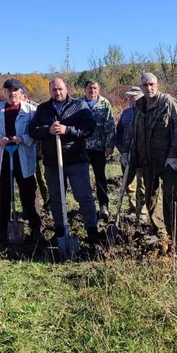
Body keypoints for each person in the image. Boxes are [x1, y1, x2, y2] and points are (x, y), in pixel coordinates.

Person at [29, 78, 101, 244]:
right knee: (56, 198)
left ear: (66, 89)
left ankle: (92, 230)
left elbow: (89, 127)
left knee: (83, 195)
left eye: (60, 89)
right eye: (54, 90)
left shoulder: (79, 106)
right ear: (50, 91)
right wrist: (48, 130)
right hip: (52, 163)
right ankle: (60, 230)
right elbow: (32, 130)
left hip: (76, 160)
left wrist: (67, 130)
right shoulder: (42, 109)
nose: (58, 92)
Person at [123, 74, 177, 248]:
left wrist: (174, 155)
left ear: (157, 85)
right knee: (151, 198)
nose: (148, 88)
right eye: (145, 85)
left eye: (151, 84)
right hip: (147, 161)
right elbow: (131, 130)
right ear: (141, 87)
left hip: (167, 161)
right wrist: (125, 151)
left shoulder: (168, 102)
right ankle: (160, 232)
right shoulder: (139, 106)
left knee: (171, 199)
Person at [0, 78, 43, 241]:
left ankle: (36, 229)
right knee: (4, 195)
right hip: (2, 157)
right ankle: (4, 229)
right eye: (8, 91)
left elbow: (36, 133)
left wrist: (23, 138)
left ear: (21, 92)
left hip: (22, 156)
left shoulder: (31, 111)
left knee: (29, 194)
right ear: (5, 93)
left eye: (15, 90)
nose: (12, 93)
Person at [81, 80, 116, 221]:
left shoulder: (105, 103)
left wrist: (110, 145)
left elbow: (110, 125)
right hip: (82, 148)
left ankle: (103, 206)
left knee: (100, 177)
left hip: (99, 148)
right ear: (85, 90)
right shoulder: (79, 104)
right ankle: (86, 206)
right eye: (90, 88)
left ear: (99, 89)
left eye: (95, 88)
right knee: (83, 179)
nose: (92, 91)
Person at [115, 86, 147, 221]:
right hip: (127, 154)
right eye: (129, 97)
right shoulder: (126, 113)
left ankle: (143, 213)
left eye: (134, 97)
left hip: (142, 155)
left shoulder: (146, 111)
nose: (131, 99)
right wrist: (122, 149)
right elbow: (119, 132)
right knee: (129, 184)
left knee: (143, 185)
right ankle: (133, 209)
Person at [22, 87, 49, 210]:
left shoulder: (38, 109)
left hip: (40, 151)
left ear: (25, 97)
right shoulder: (15, 110)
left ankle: (48, 204)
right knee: (27, 180)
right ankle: (30, 207)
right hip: (24, 151)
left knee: (43, 179)